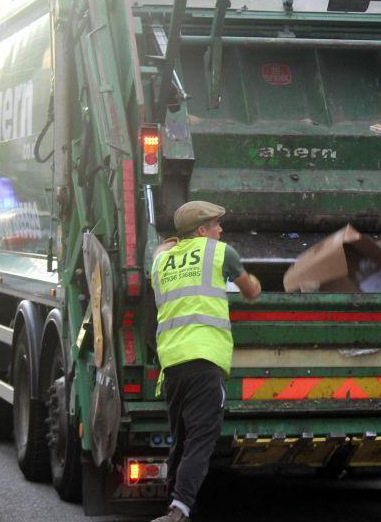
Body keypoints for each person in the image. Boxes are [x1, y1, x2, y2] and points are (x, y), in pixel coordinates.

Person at [149, 201, 261, 522]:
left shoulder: (161, 262)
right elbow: (250, 291)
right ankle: (179, 510)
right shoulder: (220, 253)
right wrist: (257, 286)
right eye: (215, 224)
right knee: (201, 441)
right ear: (201, 231)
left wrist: (173, 242)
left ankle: (174, 505)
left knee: (181, 441)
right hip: (205, 361)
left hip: (172, 365)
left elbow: (160, 249)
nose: (220, 230)